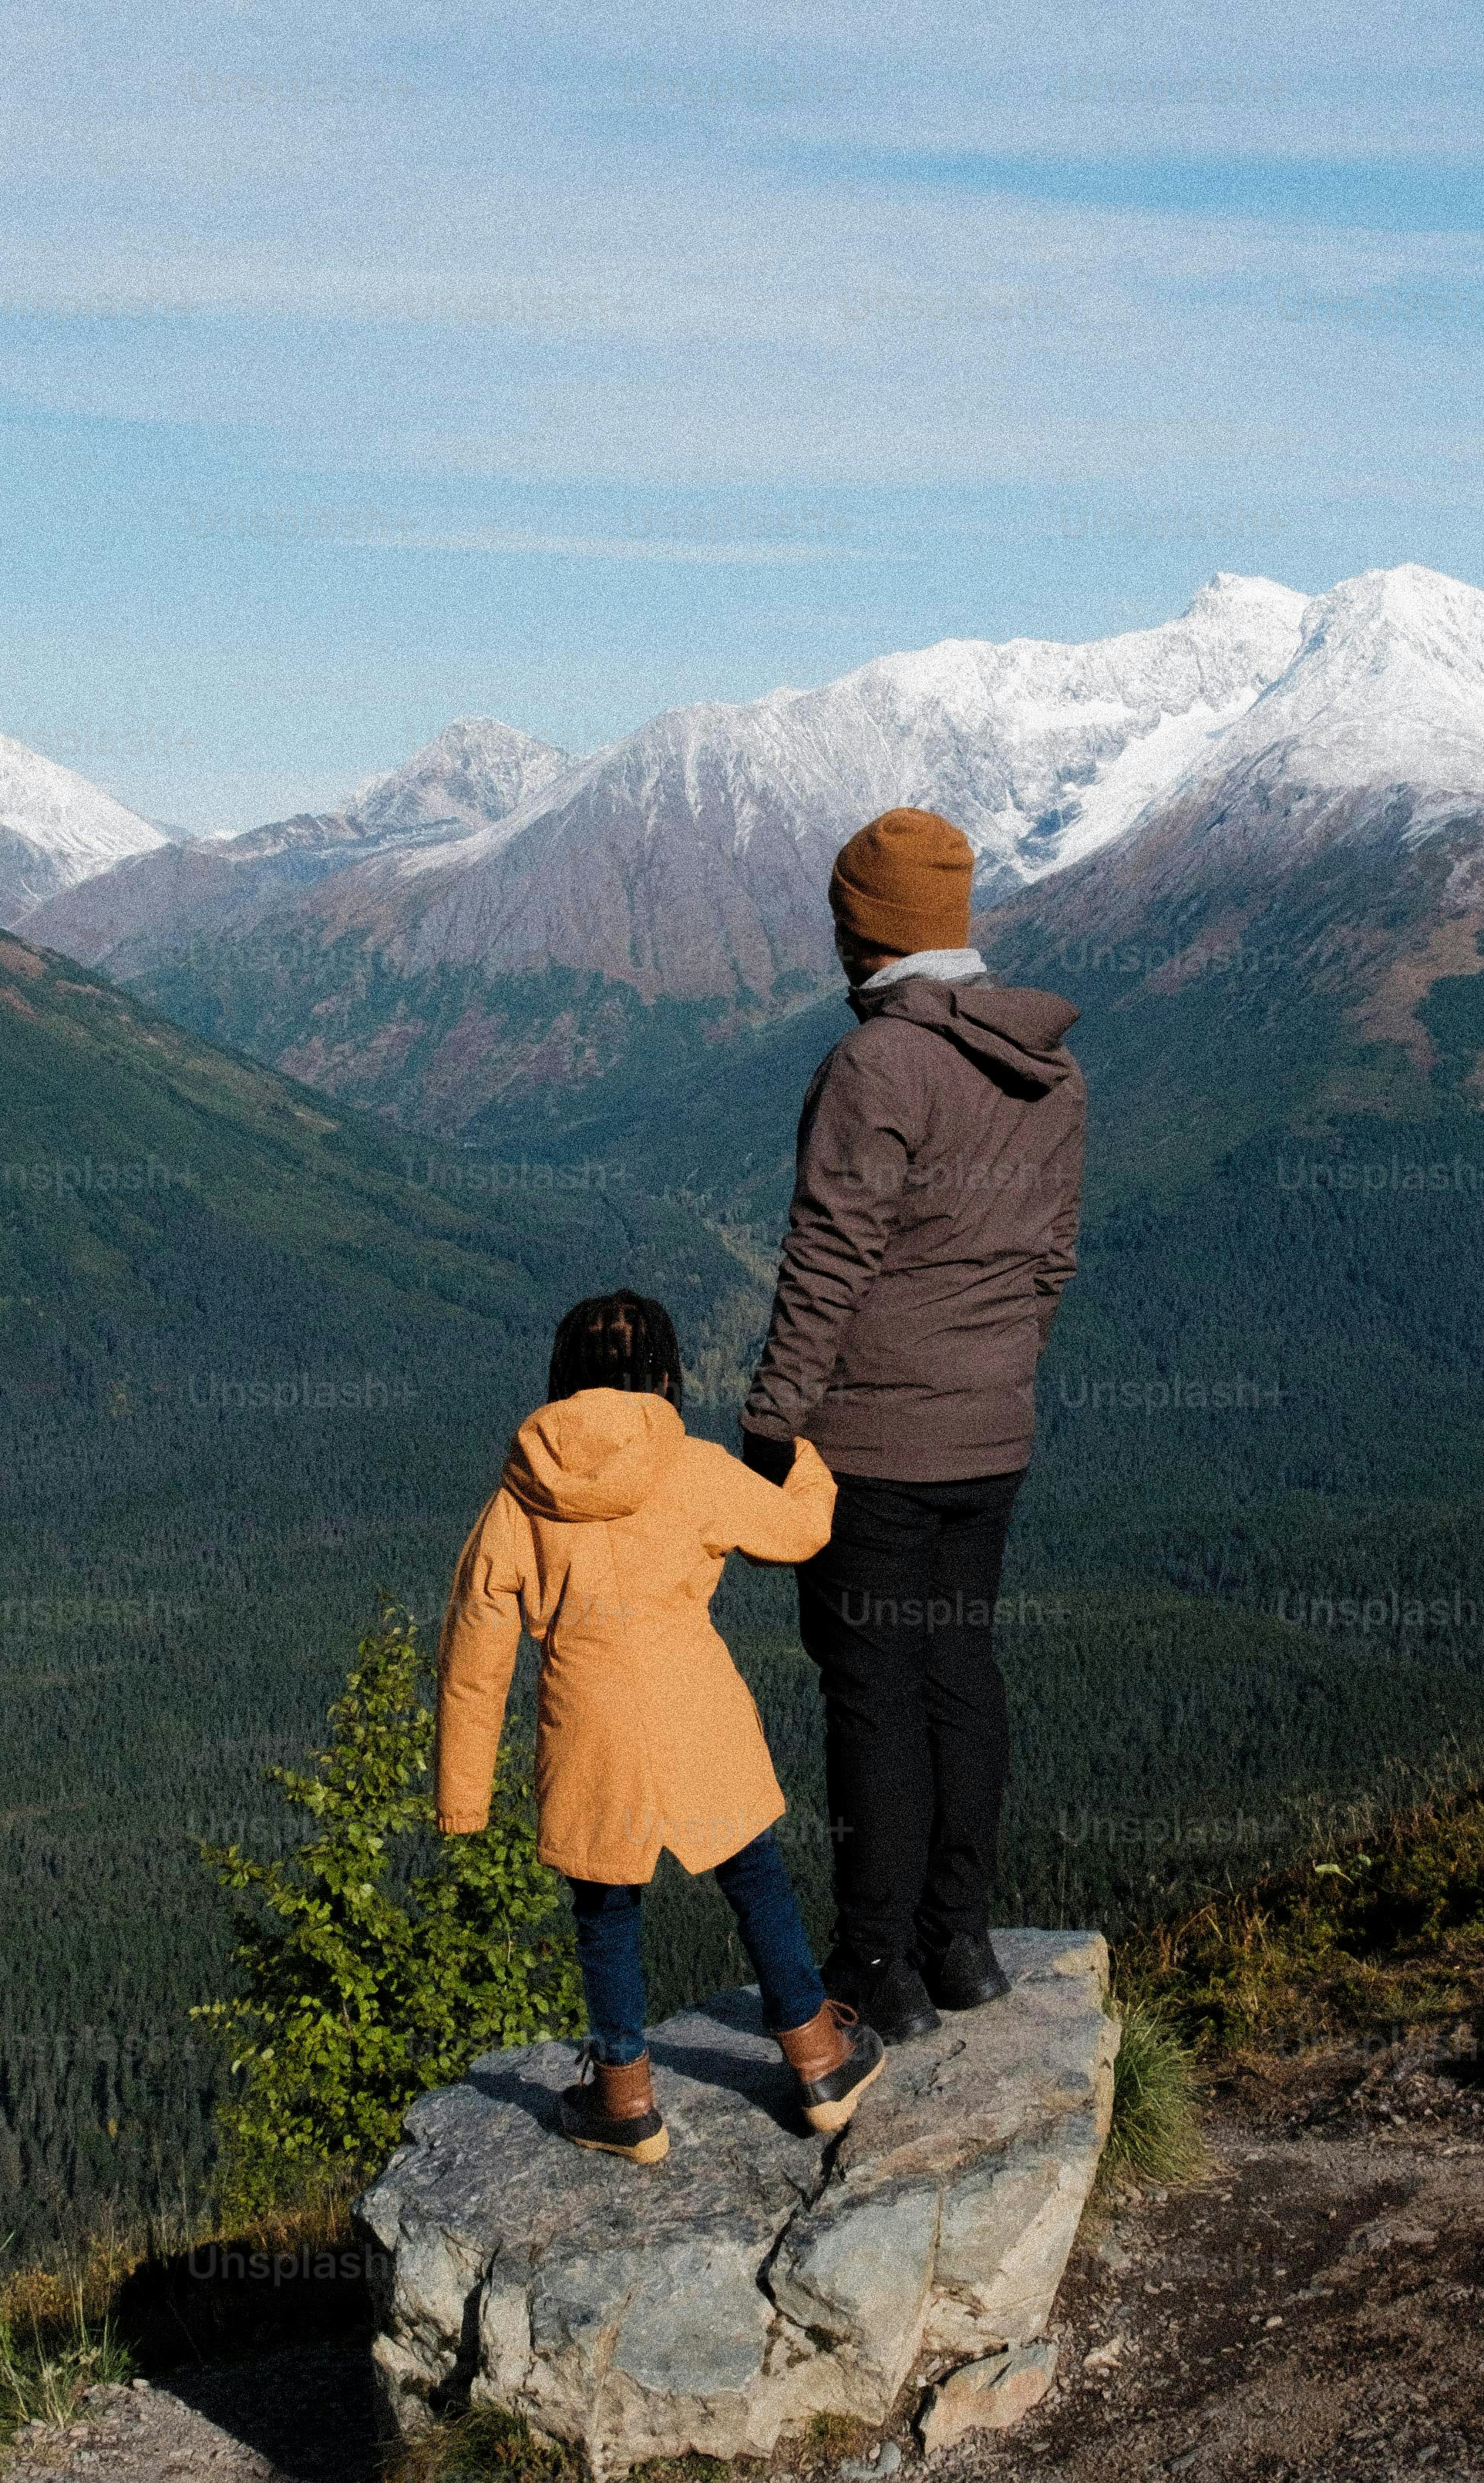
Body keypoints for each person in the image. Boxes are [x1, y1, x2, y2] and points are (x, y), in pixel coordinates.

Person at [735, 807, 1085, 2044]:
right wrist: (991, 1374)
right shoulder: (1046, 1067)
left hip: (870, 1445)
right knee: (958, 1674)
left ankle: (874, 1963)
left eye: (842, 916)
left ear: (862, 926)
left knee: (872, 1691)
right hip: (989, 1437)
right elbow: (1048, 1261)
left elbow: (826, 1257)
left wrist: (771, 1423)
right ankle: (962, 1942)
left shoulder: (877, 1067)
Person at [438, 1290, 890, 2162]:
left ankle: (625, 2101)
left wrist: (463, 1800)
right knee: (756, 1880)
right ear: (665, 1375)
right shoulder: (691, 1465)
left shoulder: (518, 1500)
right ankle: (821, 2060)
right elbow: (798, 1528)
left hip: (589, 1734)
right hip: (699, 1712)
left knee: (606, 1913)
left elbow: (474, 1662)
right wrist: (809, 1457)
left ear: (563, 1376)